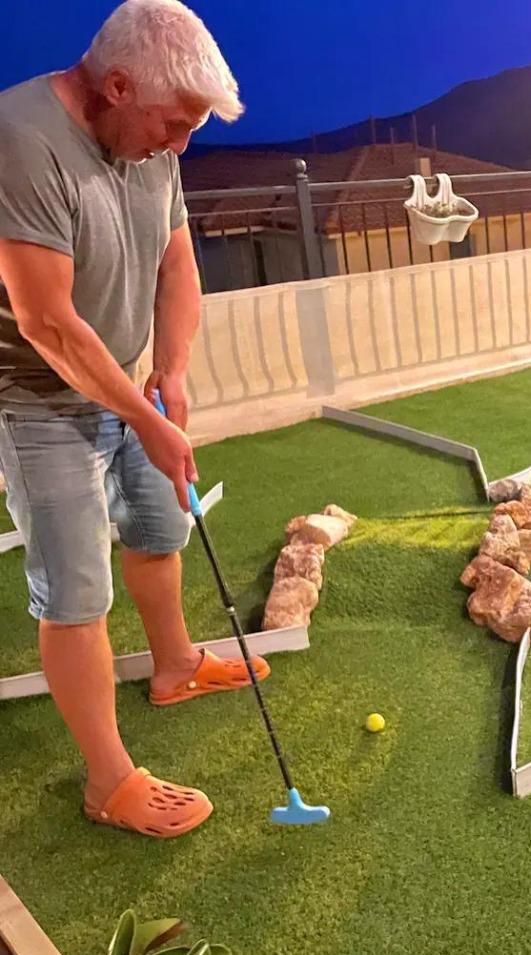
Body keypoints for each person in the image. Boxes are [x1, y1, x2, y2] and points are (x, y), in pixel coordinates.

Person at [0, 0, 264, 838]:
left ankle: (175, 666)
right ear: (117, 86)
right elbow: (46, 323)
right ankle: (108, 781)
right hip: (36, 399)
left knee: (158, 526)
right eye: (174, 124)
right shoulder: (20, 139)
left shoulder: (148, 142)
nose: (180, 145)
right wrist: (146, 420)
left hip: (125, 383)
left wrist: (172, 372)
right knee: (76, 590)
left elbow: (176, 263)